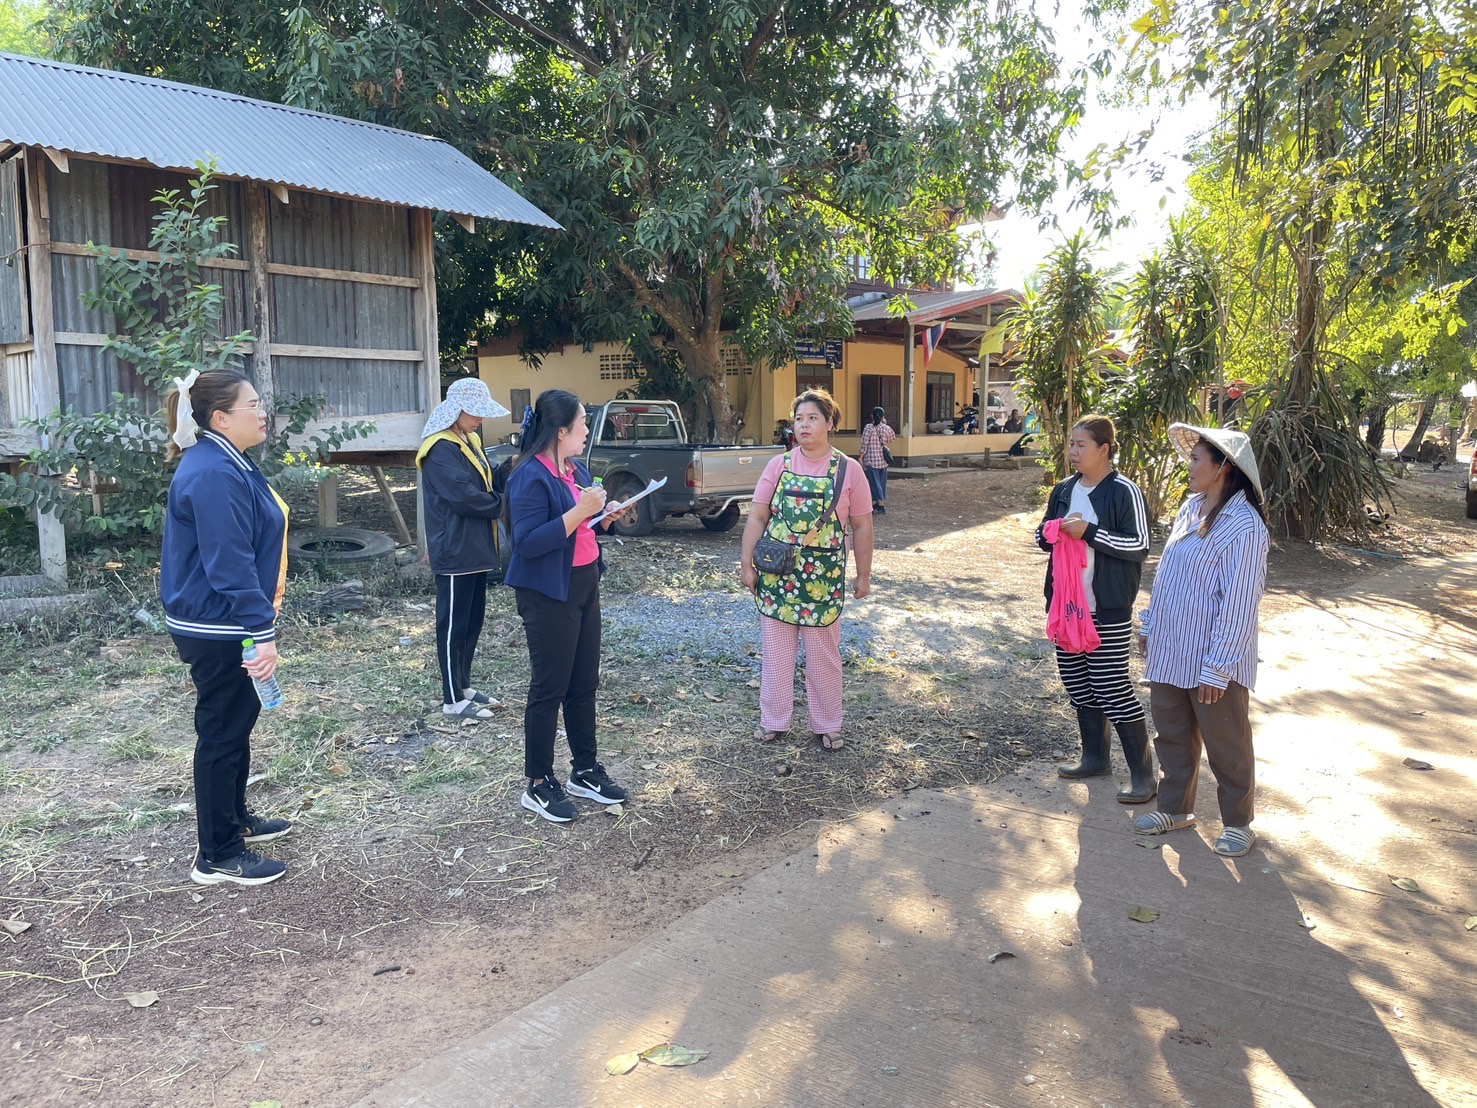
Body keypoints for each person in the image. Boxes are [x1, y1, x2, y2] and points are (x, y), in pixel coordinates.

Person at [161, 369, 292, 886]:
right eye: (254, 404)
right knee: (221, 731)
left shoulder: (224, 460)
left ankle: (234, 820)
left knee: (235, 726)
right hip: (218, 624)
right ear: (220, 417)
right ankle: (216, 853)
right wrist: (262, 631)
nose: (263, 412)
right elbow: (229, 562)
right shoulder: (214, 471)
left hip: (219, 617)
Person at [1135, 423, 1269, 857]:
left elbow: (1240, 602)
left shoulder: (1245, 527)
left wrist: (1219, 665)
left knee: (1226, 743)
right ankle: (1175, 808)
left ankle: (1238, 822)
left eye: (1196, 460)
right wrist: (1151, 624)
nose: (1188, 466)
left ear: (1224, 468)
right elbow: (1169, 574)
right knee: (1172, 732)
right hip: (1172, 646)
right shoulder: (1191, 508)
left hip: (1214, 656)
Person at [504, 389, 630, 822]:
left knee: (583, 682)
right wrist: (580, 511)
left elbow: (584, 527)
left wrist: (604, 516)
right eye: (581, 424)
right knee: (549, 687)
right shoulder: (528, 476)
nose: (586, 431)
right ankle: (538, 782)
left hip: (583, 581)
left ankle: (585, 769)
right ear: (560, 431)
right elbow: (528, 543)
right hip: (547, 592)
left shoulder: (575, 468)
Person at [740, 389, 875, 750]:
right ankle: (773, 722)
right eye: (799, 418)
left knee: (823, 654)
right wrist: (746, 565)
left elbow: (862, 525)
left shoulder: (850, 470)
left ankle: (828, 724)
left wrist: (863, 575)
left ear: (830, 423)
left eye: (812, 418)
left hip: (824, 579)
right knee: (777, 651)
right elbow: (757, 516)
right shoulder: (778, 465)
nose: (804, 425)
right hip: (778, 573)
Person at [1036, 415, 1155, 803]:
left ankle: (1142, 776)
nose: (1073, 451)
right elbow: (1043, 537)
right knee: (1077, 684)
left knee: (1111, 687)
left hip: (1107, 608)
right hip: (1067, 609)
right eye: (1071, 444)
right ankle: (1094, 757)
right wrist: (1049, 530)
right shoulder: (1064, 489)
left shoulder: (1123, 492)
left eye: (1081, 445)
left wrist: (1086, 532)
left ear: (1104, 449)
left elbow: (1138, 545)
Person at [416, 378, 511, 721]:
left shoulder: (465, 440)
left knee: (471, 622)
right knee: (452, 624)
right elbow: (463, 496)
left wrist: (507, 471)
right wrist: (503, 502)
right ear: (455, 411)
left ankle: (464, 684)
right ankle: (452, 698)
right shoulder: (440, 448)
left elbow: (481, 483)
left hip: (474, 545)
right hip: (455, 548)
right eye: (476, 413)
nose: (481, 419)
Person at [858, 405, 897, 514]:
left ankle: (880, 504)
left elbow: (864, 444)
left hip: (871, 460)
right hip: (883, 460)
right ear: (883, 416)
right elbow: (892, 438)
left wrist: (861, 457)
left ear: (872, 416)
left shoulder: (868, 428)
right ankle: (878, 502)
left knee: (874, 482)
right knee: (881, 482)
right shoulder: (886, 428)